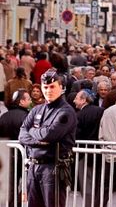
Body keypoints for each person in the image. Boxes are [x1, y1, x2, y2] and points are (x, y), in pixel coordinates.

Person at [18, 68, 77, 207]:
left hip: (53, 168)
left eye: (52, 86)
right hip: (33, 167)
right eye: (45, 87)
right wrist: (38, 137)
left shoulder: (66, 112)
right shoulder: (37, 109)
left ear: (61, 88)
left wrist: (32, 131)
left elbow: (49, 135)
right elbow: (22, 134)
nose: (48, 90)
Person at [0, 89, 31, 206]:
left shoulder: (4, 116)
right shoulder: (26, 117)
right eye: (28, 99)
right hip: (22, 155)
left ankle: (10, 203)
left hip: (6, 155)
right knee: (25, 182)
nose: (30, 101)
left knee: (10, 182)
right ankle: (18, 203)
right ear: (21, 102)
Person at [73, 89, 104, 207]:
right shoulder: (101, 111)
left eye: (76, 98)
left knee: (87, 183)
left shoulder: (78, 115)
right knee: (98, 182)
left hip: (84, 152)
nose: (74, 100)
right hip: (100, 151)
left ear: (83, 100)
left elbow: (76, 135)